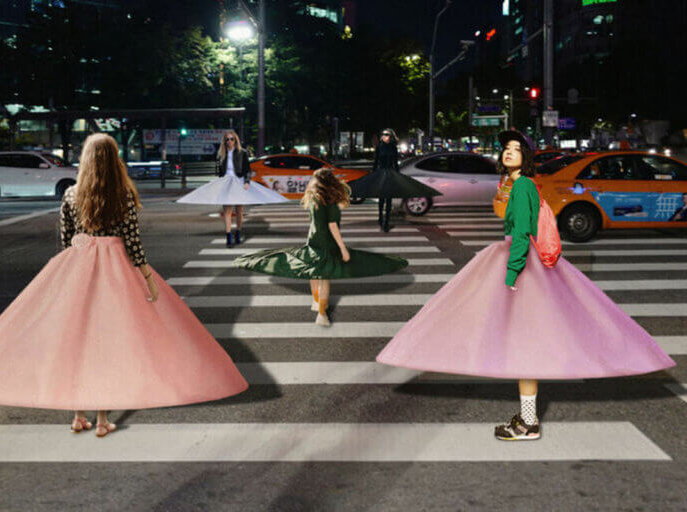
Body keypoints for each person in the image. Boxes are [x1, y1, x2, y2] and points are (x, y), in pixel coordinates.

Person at [0, 133, 248, 437]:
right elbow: (132, 241)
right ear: (114, 160)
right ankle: (102, 420)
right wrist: (146, 276)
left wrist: (67, 270)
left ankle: (78, 416)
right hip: (116, 269)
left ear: (86, 160)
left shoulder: (72, 195)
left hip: (77, 265)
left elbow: (65, 241)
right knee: (107, 344)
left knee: (77, 341)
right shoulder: (124, 195)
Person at [376, 130, 675, 440]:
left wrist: (511, 274)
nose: (509, 152)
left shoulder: (524, 187)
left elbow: (522, 233)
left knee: (524, 346)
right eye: (506, 148)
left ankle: (529, 422)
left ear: (527, 158)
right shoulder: (513, 185)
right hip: (517, 261)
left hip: (520, 265)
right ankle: (527, 418)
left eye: (516, 149)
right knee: (523, 347)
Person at [233, 169, 408, 326]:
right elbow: (333, 226)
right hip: (327, 242)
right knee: (324, 276)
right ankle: (322, 315)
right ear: (331, 184)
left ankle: (316, 302)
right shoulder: (330, 202)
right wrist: (342, 248)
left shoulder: (313, 198)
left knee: (313, 271)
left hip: (313, 240)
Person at [178, 130, 287, 247]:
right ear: (224, 141)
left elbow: (247, 170)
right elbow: (220, 172)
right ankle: (228, 235)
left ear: (236, 140)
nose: (229, 141)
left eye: (232, 139)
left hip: (239, 181)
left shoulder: (242, 152)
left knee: (239, 210)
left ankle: (238, 232)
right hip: (226, 182)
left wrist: (246, 181)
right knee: (227, 210)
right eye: (227, 139)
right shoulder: (221, 154)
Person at [348, 128, 441, 232]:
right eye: (382, 134)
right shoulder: (379, 147)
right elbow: (376, 162)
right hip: (380, 173)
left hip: (390, 174)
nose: (383, 136)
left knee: (388, 199)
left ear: (390, 136)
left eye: (386, 134)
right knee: (381, 198)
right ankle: (380, 218)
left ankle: (386, 222)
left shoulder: (392, 147)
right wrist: (373, 173)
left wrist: (398, 174)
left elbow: (395, 163)